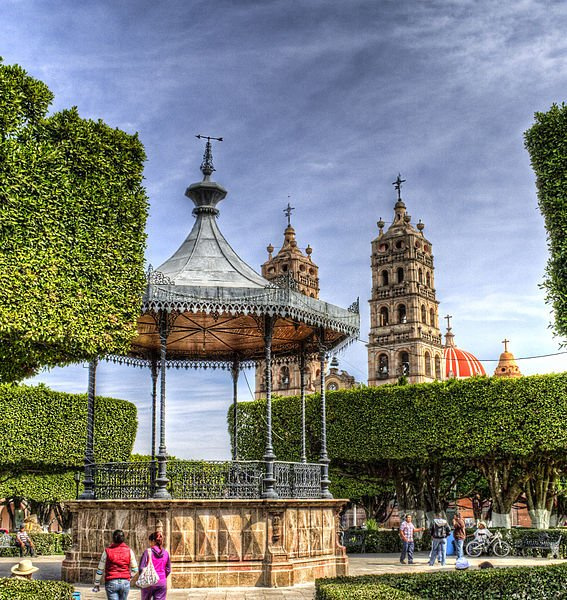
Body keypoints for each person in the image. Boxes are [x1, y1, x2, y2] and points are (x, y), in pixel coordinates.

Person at [93, 529, 138, 599]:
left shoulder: (107, 551)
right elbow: (135, 569)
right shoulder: (129, 551)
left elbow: (100, 569)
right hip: (125, 582)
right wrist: (129, 577)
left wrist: (97, 583)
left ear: (113, 539)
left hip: (111, 582)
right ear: (123, 539)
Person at [138, 531, 171, 600]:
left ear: (153, 541)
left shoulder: (147, 552)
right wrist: (162, 576)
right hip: (161, 581)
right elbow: (168, 569)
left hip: (148, 582)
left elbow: (141, 568)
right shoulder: (166, 553)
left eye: (150, 541)